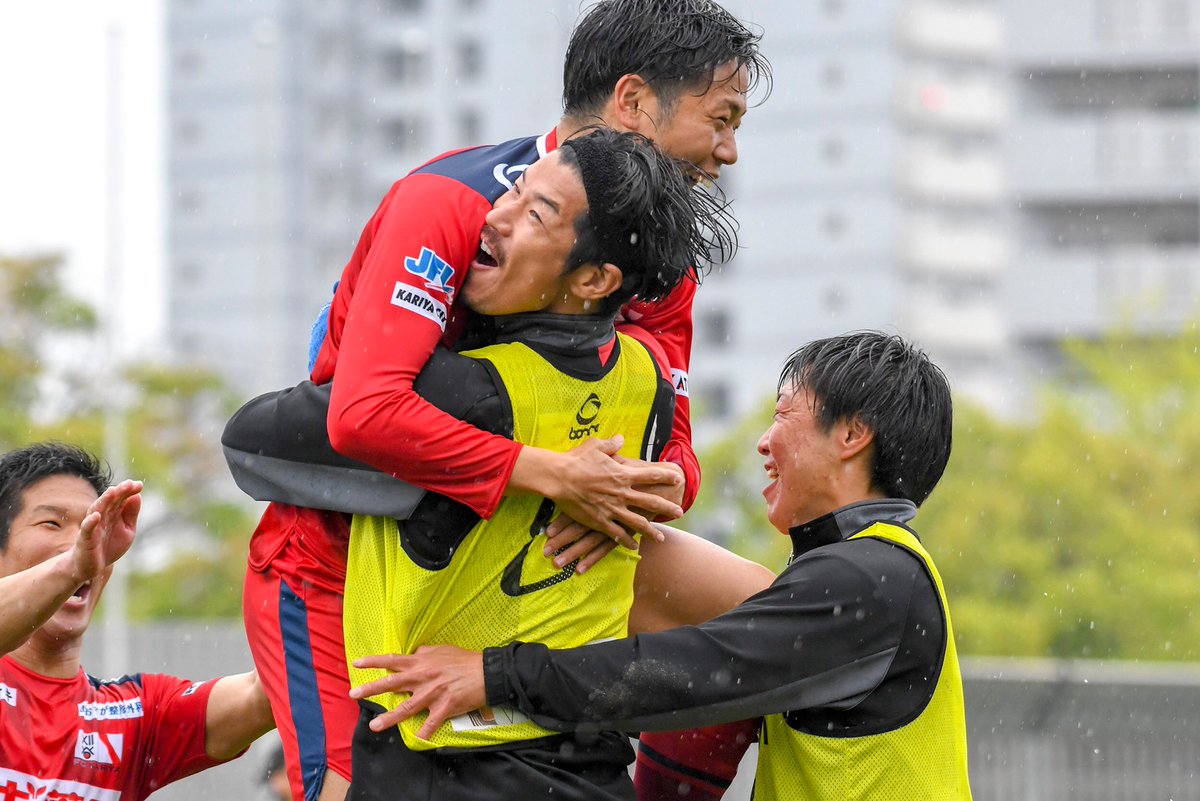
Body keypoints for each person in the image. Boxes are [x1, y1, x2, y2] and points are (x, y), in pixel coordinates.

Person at [237, 2, 770, 799]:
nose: (728, 151)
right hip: (343, 563)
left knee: (769, 619)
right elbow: (359, 415)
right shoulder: (453, 204)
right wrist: (557, 475)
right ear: (631, 102)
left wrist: (648, 489)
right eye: (719, 120)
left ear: (601, 279)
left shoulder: (660, 261)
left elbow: (674, 452)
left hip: (522, 557)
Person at [349, 332, 974, 801]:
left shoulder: (868, 578)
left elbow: (692, 673)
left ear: (852, 435)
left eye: (784, 414)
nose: (764, 442)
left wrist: (496, 674)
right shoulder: (870, 569)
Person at [0, 442, 275, 800]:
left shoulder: (138, 714)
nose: (83, 544)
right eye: (51, 523)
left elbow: (268, 693)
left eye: (95, 527)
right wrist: (71, 567)